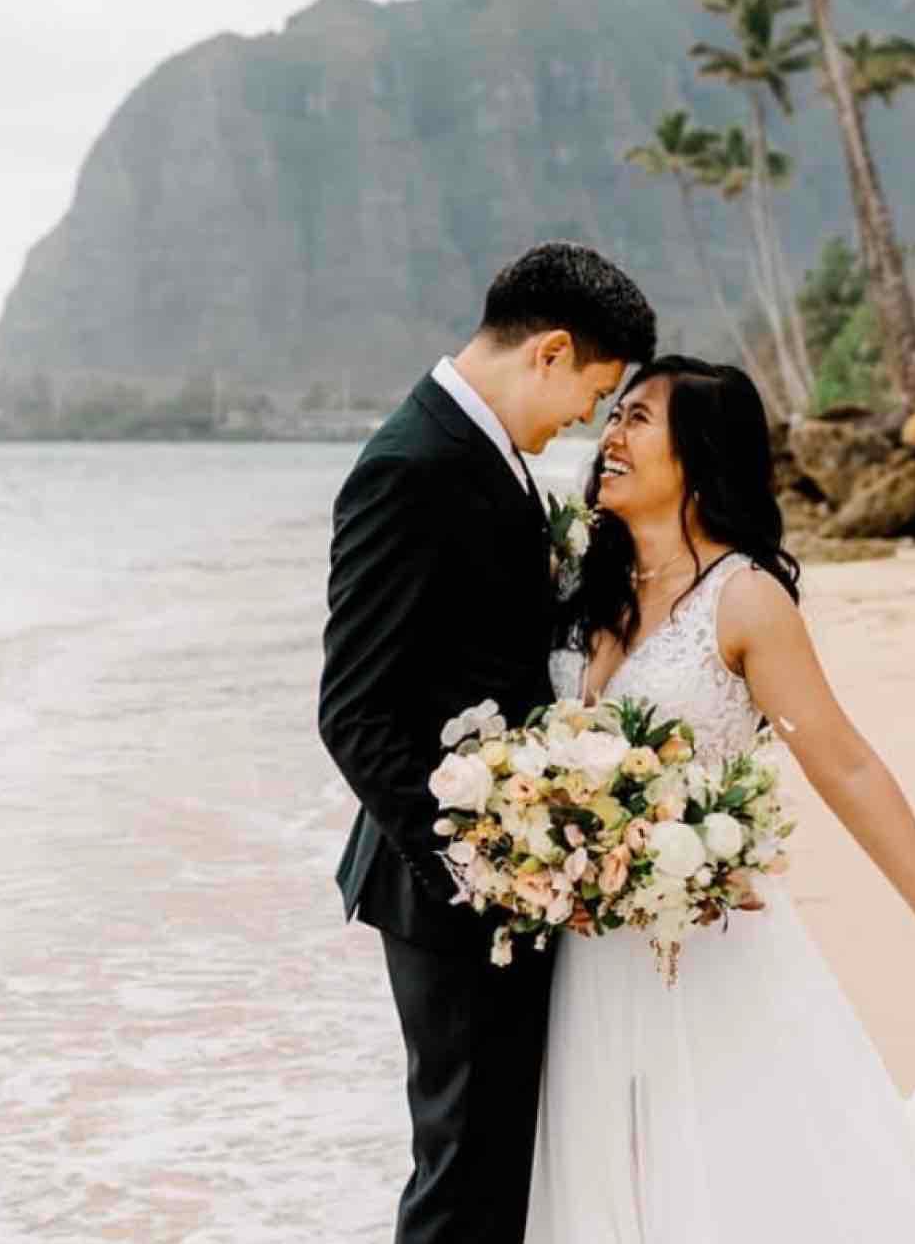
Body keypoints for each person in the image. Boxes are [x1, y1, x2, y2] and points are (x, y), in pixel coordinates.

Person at [526, 357, 915, 1241]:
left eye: (636, 420)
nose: (609, 438)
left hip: (708, 947)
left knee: (734, 1179)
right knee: (606, 1177)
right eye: (612, 416)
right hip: (584, 954)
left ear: (698, 455)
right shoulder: (577, 584)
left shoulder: (745, 598)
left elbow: (841, 761)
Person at [318, 243, 657, 1244]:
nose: (581, 424)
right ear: (549, 351)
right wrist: (474, 863)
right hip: (450, 890)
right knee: (463, 1175)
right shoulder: (408, 466)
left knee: (497, 1159)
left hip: (501, 878)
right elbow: (353, 707)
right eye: (591, 396)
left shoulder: (486, 453)